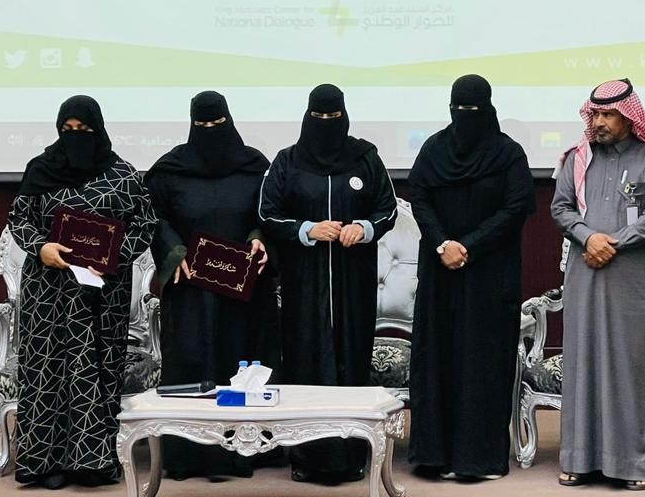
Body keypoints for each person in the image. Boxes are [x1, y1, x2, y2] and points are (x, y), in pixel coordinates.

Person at [8, 95, 156, 489]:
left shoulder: (123, 175)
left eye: (84, 130)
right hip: (48, 290)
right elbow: (19, 218)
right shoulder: (40, 169)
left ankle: (93, 463)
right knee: (47, 372)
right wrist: (41, 247)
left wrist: (111, 258)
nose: (75, 137)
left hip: (101, 295)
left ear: (99, 130)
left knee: (96, 371)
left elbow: (145, 225)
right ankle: (44, 463)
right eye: (67, 130)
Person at [257, 83, 397, 484]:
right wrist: (307, 229)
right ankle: (308, 456)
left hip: (354, 283)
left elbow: (387, 209)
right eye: (319, 118)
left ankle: (353, 455)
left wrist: (364, 228)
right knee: (307, 361)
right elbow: (268, 213)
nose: (326, 125)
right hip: (304, 284)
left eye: (333, 118)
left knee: (351, 360)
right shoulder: (288, 161)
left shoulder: (365, 158)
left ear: (344, 117)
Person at [145, 91, 279, 480]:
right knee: (191, 360)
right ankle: (189, 454)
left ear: (229, 122)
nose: (209, 132)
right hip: (191, 290)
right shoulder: (170, 170)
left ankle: (242, 452)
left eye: (216, 125)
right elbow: (154, 217)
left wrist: (259, 237)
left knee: (242, 362)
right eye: (201, 125)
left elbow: (268, 212)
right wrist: (173, 252)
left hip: (243, 291)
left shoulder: (255, 166)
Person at [408, 74, 535, 481]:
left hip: (490, 277)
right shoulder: (434, 149)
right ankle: (434, 455)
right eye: (459, 109)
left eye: (472, 110)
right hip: (440, 274)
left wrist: (468, 245)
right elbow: (419, 197)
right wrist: (442, 243)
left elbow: (515, 208)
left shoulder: (508, 154)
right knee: (438, 358)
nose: (465, 117)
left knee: (483, 362)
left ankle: (479, 458)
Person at [550, 78, 645, 489]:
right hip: (585, 274)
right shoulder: (578, 158)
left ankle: (637, 465)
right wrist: (589, 238)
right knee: (582, 363)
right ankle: (579, 459)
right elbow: (561, 208)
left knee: (631, 368)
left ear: (629, 117)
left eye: (609, 115)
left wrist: (611, 243)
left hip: (633, 280)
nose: (599, 122)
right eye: (596, 114)